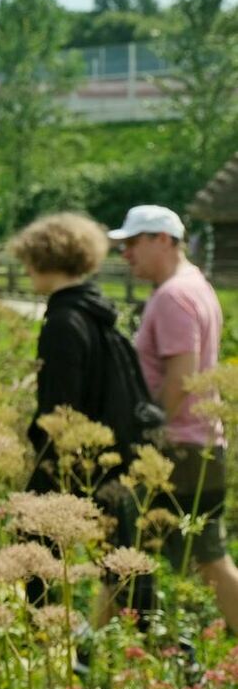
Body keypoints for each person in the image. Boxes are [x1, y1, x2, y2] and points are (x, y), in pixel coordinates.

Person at [9, 214, 148, 612]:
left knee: (35, 548)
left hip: (72, 458)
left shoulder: (63, 321)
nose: (26, 270)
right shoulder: (95, 310)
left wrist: (40, 451)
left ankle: (44, 638)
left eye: (29, 261)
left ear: (43, 259)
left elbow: (62, 403)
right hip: (106, 448)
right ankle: (124, 635)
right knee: (117, 550)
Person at [111, 204, 238, 630]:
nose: (125, 254)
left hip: (178, 448)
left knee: (133, 555)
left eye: (132, 243)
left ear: (162, 240)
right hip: (198, 444)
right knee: (190, 557)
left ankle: (95, 651)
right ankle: (100, 649)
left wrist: (150, 432)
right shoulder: (195, 285)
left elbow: (181, 377)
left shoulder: (172, 297)